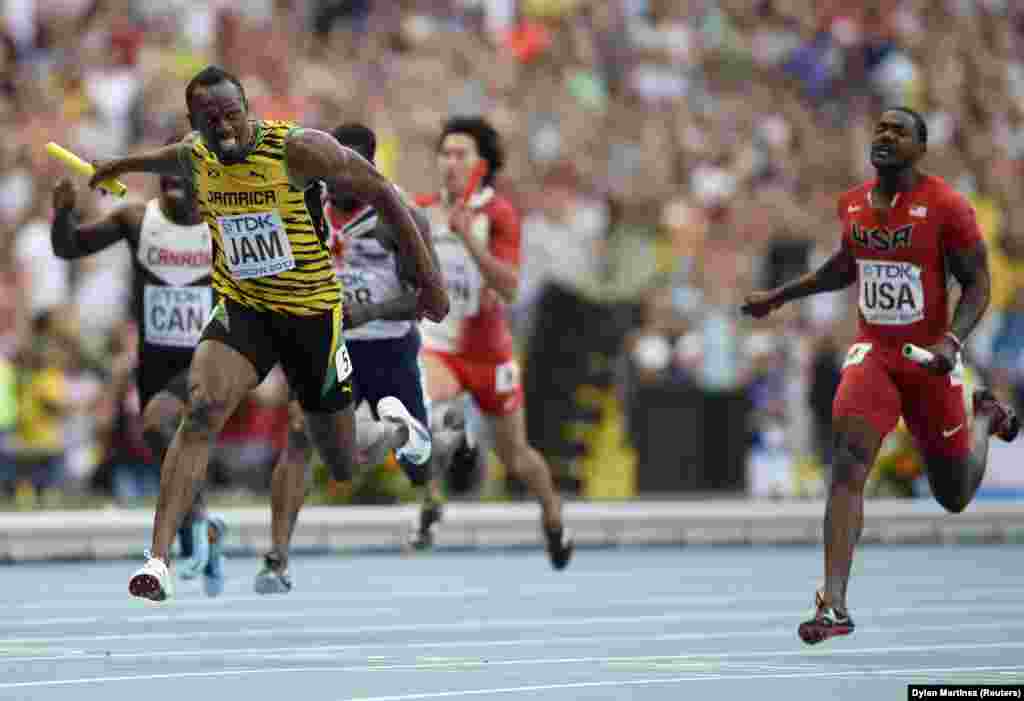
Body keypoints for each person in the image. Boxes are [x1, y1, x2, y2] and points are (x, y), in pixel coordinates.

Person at [88, 65, 448, 602]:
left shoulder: (298, 151)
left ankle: (400, 431)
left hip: (310, 317)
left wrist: (430, 282)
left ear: (248, 109)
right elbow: (170, 157)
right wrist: (118, 165)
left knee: (344, 463)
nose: (225, 130)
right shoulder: (197, 153)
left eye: (233, 116)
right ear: (195, 124)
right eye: (211, 122)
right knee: (202, 409)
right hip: (245, 308)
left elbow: (384, 194)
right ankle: (158, 561)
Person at [742, 107, 1019, 644]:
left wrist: (951, 342)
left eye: (899, 131)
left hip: (930, 359)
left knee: (955, 495)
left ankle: (982, 417)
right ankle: (834, 606)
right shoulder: (852, 204)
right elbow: (845, 267)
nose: (885, 136)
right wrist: (780, 296)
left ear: (921, 147)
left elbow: (978, 285)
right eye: (879, 129)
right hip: (874, 352)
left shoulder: (947, 207)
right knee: (847, 462)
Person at [51, 168, 232, 597]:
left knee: (156, 424)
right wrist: (62, 213)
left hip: (207, 354)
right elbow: (69, 246)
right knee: (169, 450)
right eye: (169, 176)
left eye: (188, 176)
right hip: (153, 362)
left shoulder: (222, 228)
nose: (177, 185)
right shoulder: (136, 220)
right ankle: (201, 535)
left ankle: (194, 526)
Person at [414, 116, 573, 569]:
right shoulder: (421, 210)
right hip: (441, 346)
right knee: (426, 407)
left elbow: (509, 288)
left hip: (490, 354)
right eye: (444, 153)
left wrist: (467, 237)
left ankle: (553, 515)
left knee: (517, 457)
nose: (449, 162)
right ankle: (432, 500)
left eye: (460, 154)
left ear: (481, 163)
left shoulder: (498, 214)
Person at [323, 123, 466, 520]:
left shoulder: (400, 216)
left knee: (415, 466)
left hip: (389, 345)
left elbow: (432, 300)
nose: (338, 179)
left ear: (370, 169)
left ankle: (437, 448)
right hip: (336, 345)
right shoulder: (309, 208)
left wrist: (368, 312)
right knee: (334, 453)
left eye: (349, 168)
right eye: (332, 167)